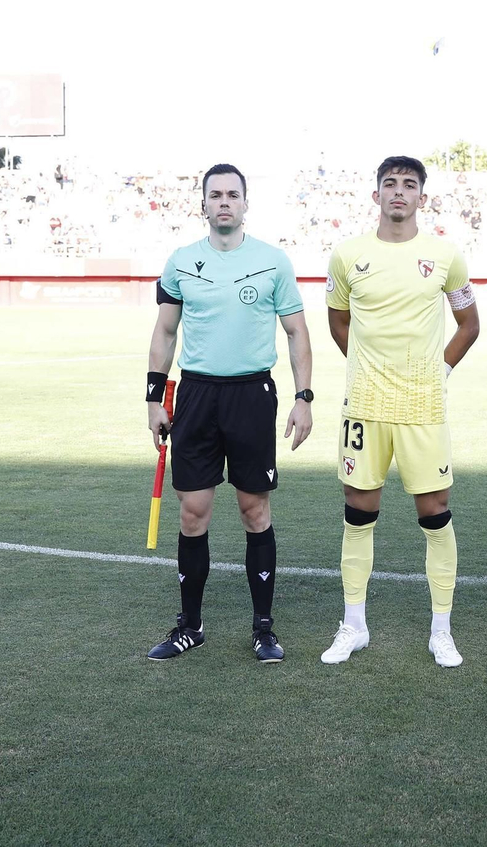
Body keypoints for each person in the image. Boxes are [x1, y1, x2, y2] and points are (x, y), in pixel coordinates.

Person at [145, 163, 313, 663]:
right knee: (193, 513)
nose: (224, 202)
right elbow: (165, 332)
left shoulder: (273, 262)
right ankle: (189, 625)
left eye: (232, 194)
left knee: (254, 510)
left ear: (245, 204)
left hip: (251, 396)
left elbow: (297, 333)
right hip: (196, 397)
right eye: (215, 194)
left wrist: (304, 398)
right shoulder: (180, 262)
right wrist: (154, 398)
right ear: (203, 203)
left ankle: (263, 629)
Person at [320, 156, 481, 669]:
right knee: (357, 514)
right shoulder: (348, 255)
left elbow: (468, 325)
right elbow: (338, 321)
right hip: (365, 408)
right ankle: (354, 625)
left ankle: (441, 630)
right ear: (376, 195)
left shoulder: (445, 255)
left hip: (422, 408)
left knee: (435, 516)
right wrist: (369, 370)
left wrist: (440, 371)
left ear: (421, 198)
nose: (398, 192)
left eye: (409, 185)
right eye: (389, 184)